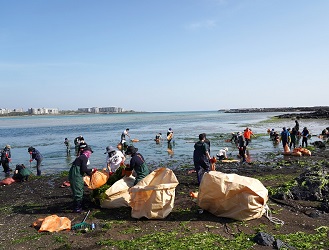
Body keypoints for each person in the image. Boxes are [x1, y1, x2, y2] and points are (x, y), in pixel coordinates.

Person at [69, 145, 96, 213]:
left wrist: (90, 172)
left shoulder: (80, 157)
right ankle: (77, 208)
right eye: (90, 153)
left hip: (74, 175)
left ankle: (79, 205)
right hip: (76, 176)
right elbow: (84, 169)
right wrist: (91, 172)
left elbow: (82, 169)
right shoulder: (84, 158)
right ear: (87, 152)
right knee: (78, 191)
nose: (90, 155)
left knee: (78, 189)